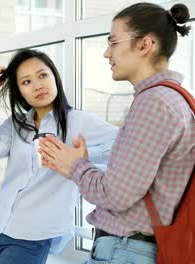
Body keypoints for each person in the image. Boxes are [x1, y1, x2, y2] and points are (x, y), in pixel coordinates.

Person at [38, 3, 195, 263]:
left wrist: (74, 166)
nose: (106, 53)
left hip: (125, 251)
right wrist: (83, 164)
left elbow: (116, 195)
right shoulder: (174, 99)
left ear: (144, 45)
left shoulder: (155, 103)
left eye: (113, 42)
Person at [0, 49, 118, 264]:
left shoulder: (78, 122)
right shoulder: (16, 124)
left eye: (42, 75)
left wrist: (87, 155)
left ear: (54, 77)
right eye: (26, 82)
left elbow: (126, 145)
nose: (37, 85)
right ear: (20, 91)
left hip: (31, 237)